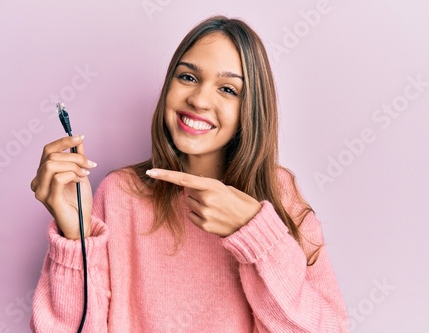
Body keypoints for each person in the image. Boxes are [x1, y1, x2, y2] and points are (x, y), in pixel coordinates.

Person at [29, 16, 349, 332]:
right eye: (188, 77)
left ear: (250, 107)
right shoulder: (120, 194)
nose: (198, 99)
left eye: (227, 88)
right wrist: (76, 239)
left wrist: (257, 235)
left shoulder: (279, 194)